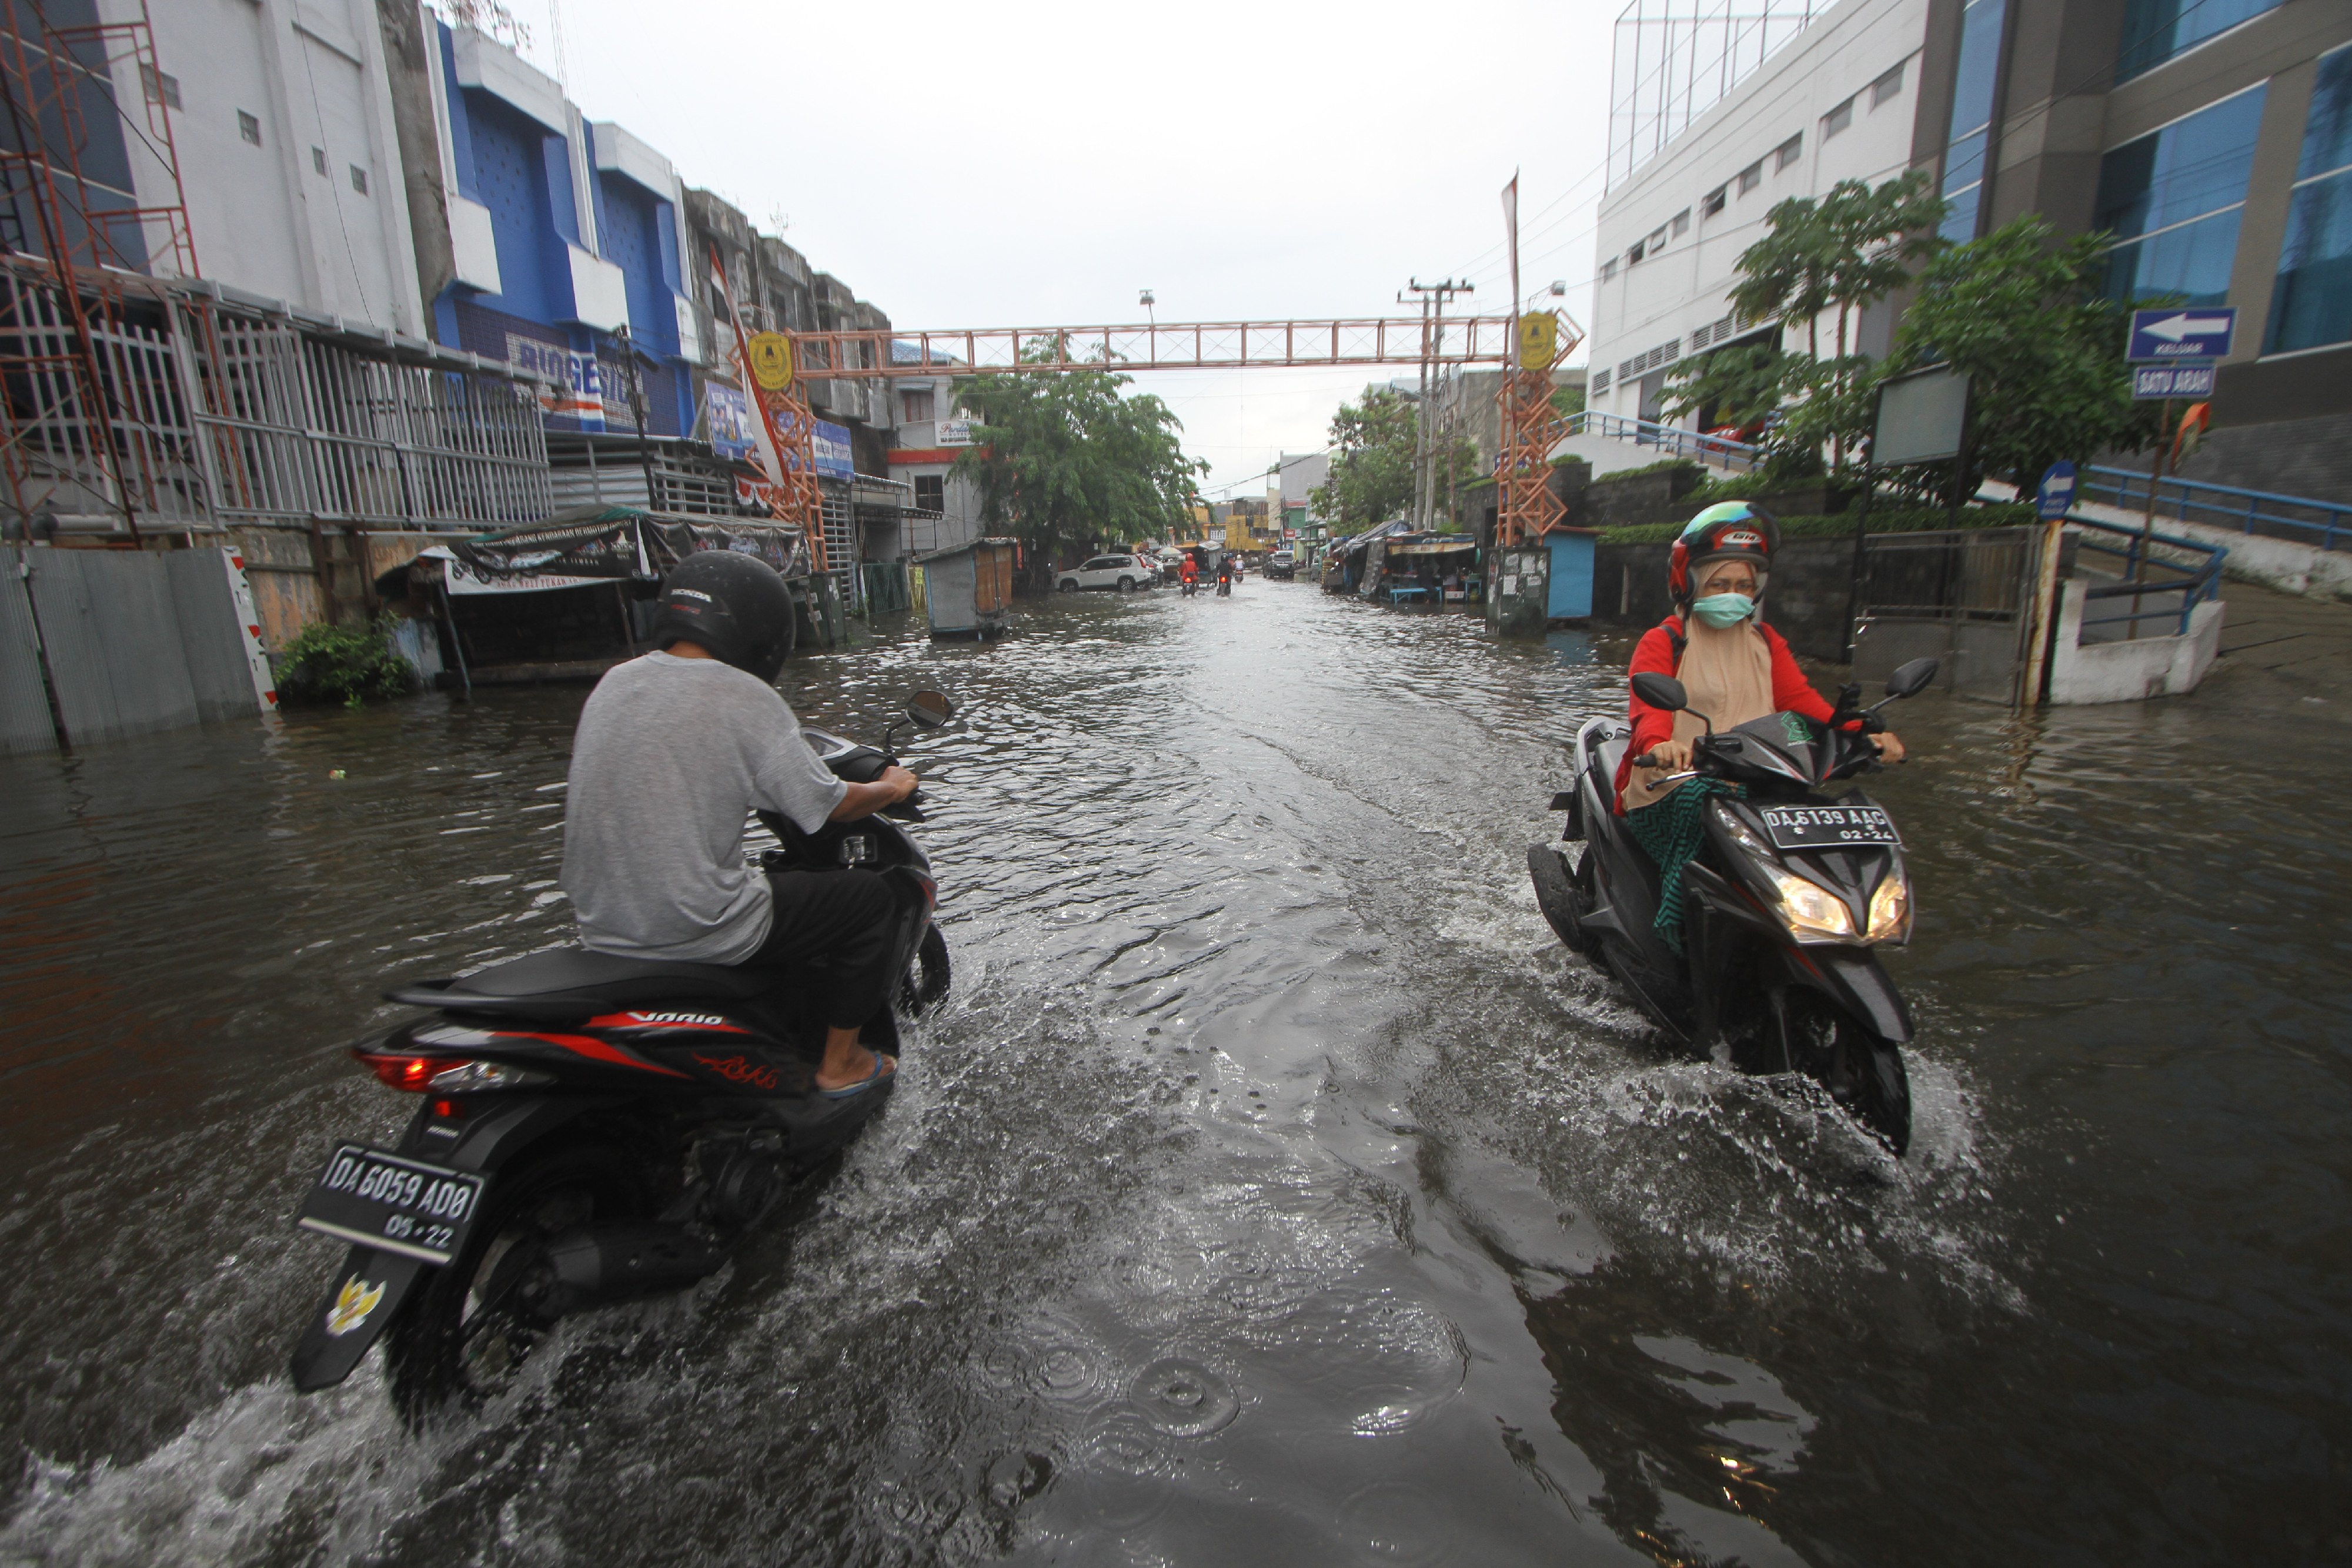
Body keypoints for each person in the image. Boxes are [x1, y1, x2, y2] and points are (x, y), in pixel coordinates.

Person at [560, 550, 918, 1098]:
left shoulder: (613, 683)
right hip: (697, 928)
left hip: (604, 929)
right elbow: (827, 806)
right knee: (871, 901)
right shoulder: (744, 695)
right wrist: (892, 786)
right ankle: (840, 1063)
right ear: (761, 628)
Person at [1615, 503, 1905, 952]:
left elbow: (1805, 705)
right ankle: (1678, 932)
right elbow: (1648, 710)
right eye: (1721, 583)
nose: (1734, 592)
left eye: (1744, 585)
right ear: (1692, 584)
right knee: (1702, 806)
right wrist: (1663, 743)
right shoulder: (1666, 640)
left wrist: (1861, 735)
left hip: (1758, 779)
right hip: (1674, 783)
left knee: (1817, 814)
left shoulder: (1766, 643)